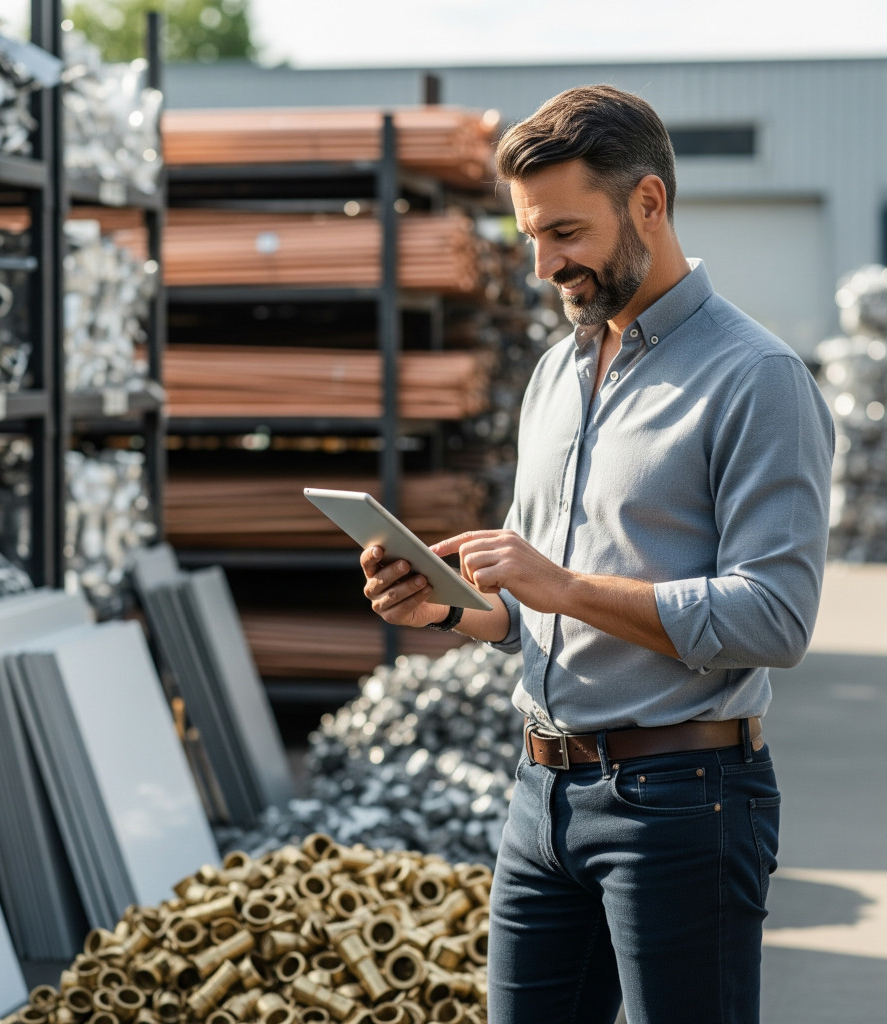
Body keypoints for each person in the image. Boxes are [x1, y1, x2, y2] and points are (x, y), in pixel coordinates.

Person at [359, 85, 834, 1024]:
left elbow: (774, 618)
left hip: (682, 803)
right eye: (531, 236)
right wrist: (453, 607)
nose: (544, 265)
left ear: (648, 205)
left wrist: (564, 586)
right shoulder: (556, 373)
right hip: (540, 798)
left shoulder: (757, 379)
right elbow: (536, 610)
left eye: (566, 233)